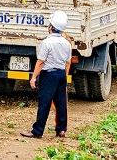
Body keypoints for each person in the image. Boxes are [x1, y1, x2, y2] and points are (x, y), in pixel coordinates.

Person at [21, 11, 73, 139]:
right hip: (61, 74)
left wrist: (33, 77)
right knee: (61, 103)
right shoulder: (67, 44)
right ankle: (61, 129)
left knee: (44, 102)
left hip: (49, 75)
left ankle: (37, 131)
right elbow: (67, 62)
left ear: (51, 27)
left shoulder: (47, 43)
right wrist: (64, 76)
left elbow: (41, 62)